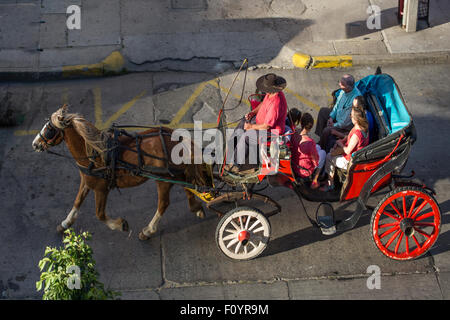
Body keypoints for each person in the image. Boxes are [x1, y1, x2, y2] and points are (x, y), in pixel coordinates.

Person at [225, 73, 288, 173]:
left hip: (271, 131)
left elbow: (267, 126)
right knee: (243, 121)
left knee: (247, 137)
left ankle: (236, 164)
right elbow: (263, 104)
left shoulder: (276, 103)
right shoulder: (270, 93)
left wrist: (251, 126)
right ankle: (232, 147)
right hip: (260, 121)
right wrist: (253, 112)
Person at [320, 104, 370, 192]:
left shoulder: (356, 135)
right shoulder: (363, 127)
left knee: (329, 157)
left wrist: (340, 143)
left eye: (351, 115)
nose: (350, 116)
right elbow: (347, 137)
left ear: (356, 119)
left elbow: (347, 151)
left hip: (350, 161)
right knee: (332, 148)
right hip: (353, 154)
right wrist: (341, 141)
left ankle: (330, 184)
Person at [315, 74, 361, 152]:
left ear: (348, 87)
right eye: (340, 82)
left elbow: (346, 122)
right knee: (323, 111)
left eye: (342, 84)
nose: (339, 84)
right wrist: (331, 117)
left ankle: (322, 149)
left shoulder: (355, 99)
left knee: (327, 130)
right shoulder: (343, 91)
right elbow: (336, 105)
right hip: (338, 118)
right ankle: (321, 138)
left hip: (344, 125)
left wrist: (334, 125)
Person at [291, 113, 326, 187]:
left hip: (294, 165)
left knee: (318, 147)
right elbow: (315, 162)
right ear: (311, 127)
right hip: (304, 171)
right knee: (323, 153)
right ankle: (315, 180)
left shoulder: (294, 134)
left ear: (301, 123)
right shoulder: (310, 142)